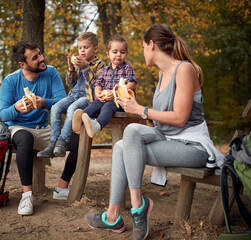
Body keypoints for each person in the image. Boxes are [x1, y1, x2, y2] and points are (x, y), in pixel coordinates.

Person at [84, 24, 225, 240]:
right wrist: (135, 108)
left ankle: (130, 210)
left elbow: (180, 118)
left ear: (151, 45)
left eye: (142, 47)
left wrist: (140, 110)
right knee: (128, 136)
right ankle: (122, 212)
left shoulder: (185, 69)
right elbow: (158, 117)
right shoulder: (162, 73)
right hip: (166, 135)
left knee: (124, 149)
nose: (142, 52)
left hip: (192, 145)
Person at [0, 41, 78, 215]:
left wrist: (44, 103)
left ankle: (62, 187)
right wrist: (16, 108)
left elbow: (62, 102)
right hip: (19, 128)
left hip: (44, 128)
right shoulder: (10, 81)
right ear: (23, 64)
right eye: (35, 57)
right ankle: (27, 195)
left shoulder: (51, 72)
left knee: (79, 140)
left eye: (40, 53)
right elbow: (3, 115)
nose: (42, 58)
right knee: (25, 138)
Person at [37, 32, 105, 159]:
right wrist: (71, 68)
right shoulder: (78, 63)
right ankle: (53, 143)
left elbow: (95, 84)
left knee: (72, 108)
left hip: (88, 97)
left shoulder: (100, 65)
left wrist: (85, 67)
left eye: (86, 47)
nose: (82, 50)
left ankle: (63, 142)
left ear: (95, 49)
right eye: (80, 48)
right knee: (56, 107)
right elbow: (70, 83)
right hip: (73, 95)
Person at [72, 35, 137, 138]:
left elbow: (131, 84)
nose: (119, 55)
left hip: (121, 101)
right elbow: (98, 83)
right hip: (106, 98)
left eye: (122, 52)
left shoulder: (127, 68)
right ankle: (80, 120)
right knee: (94, 104)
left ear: (126, 54)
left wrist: (116, 93)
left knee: (107, 107)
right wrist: (98, 93)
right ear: (108, 54)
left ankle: (97, 125)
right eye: (115, 52)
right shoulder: (105, 70)